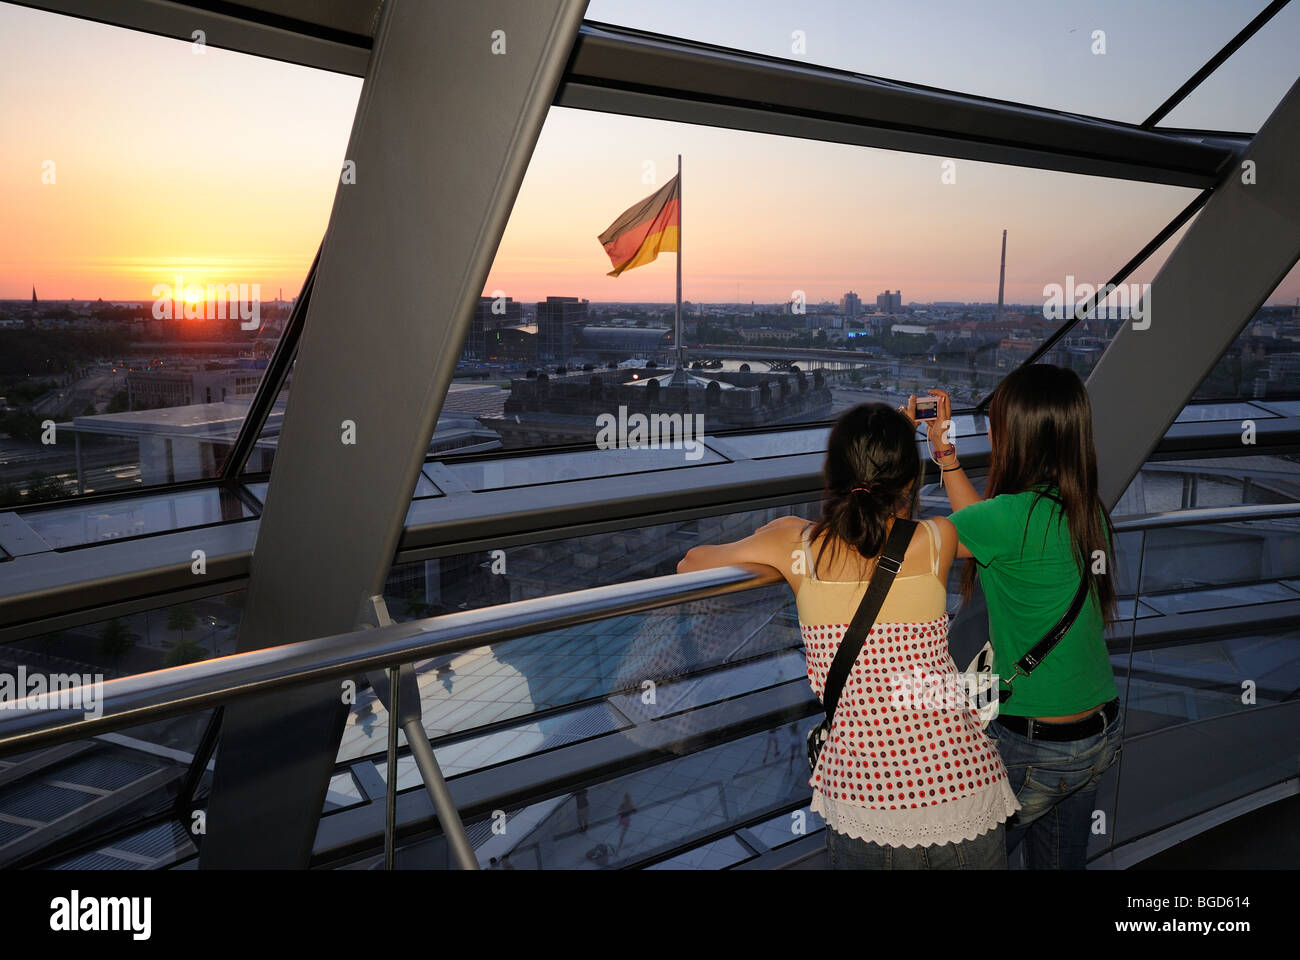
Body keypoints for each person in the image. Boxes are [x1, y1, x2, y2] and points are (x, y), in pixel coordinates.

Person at [679, 402, 1018, 869]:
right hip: (962, 787)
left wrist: (771, 553)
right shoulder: (937, 539)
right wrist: (942, 450)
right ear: (907, 480)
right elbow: (996, 530)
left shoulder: (794, 543)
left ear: (832, 473)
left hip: (865, 797)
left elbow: (691, 563)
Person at [909, 364, 1123, 870]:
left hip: (1032, 746)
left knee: (951, 861)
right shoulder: (1085, 510)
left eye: (998, 419)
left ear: (1017, 434)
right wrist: (946, 456)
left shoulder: (1008, 519)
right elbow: (987, 531)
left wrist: (895, 451)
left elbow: (899, 550)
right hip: (1098, 731)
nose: (990, 427)